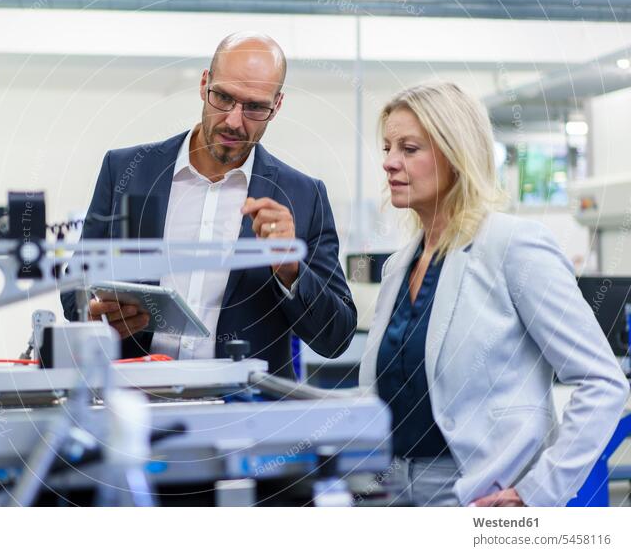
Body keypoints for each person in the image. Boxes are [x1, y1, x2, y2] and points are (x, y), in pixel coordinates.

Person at [359, 82, 629, 506]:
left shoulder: (513, 247)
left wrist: (538, 492)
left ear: (455, 154)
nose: (390, 163)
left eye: (409, 149)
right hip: (391, 491)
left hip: (477, 492)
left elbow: (602, 380)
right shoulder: (398, 267)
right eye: (387, 148)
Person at [61, 32, 356, 378]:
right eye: (224, 98)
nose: (233, 120)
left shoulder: (304, 196)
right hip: (133, 405)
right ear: (204, 85)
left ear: (276, 107)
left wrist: (291, 270)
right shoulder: (128, 171)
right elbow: (75, 289)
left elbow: (336, 338)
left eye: (255, 107)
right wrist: (98, 314)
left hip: (245, 416)